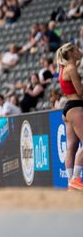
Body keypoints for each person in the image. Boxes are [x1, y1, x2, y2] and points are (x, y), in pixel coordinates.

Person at [55, 43, 83, 190]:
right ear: (71, 53)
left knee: (71, 147)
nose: (80, 51)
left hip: (68, 109)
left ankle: (69, 183)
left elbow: (77, 60)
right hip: (76, 106)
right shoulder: (71, 69)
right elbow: (80, 91)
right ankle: (75, 179)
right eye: (77, 50)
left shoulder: (64, 68)